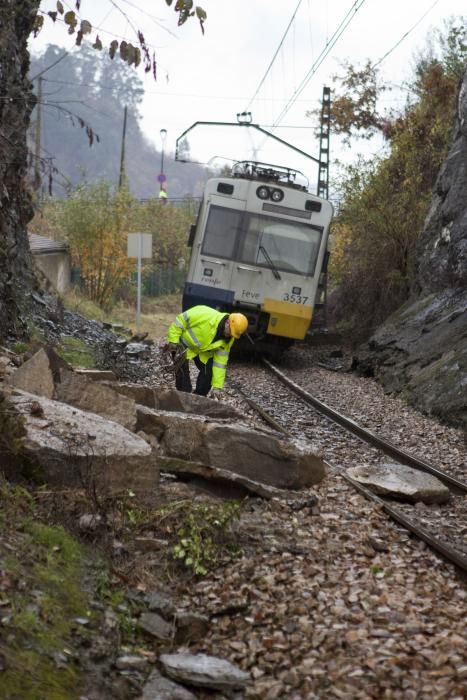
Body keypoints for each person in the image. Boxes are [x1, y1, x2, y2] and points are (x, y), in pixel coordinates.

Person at [166, 305, 248, 397]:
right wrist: (173, 341)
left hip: (201, 352)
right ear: (227, 322)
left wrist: (217, 386)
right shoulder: (205, 314)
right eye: (230, 331)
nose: (230, 336)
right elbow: (180, 321)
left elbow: (220, 363)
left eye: (233, 335)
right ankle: (184, 396)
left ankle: (199, 396)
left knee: (209, 371)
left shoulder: (228, 339)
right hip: (182, 345)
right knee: (183, 377)